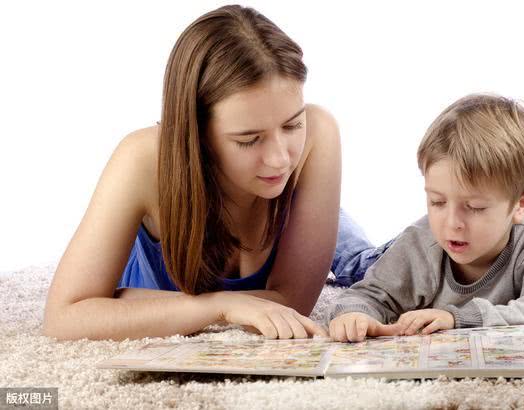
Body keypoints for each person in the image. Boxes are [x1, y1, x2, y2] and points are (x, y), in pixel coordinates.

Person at [43, 5, 341, 341]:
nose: (280, 159)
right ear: (196, 134)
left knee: (362, 262)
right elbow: (64, 318)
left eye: (292, 125)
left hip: (291, 204)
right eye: (248, 140)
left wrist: (134, 304)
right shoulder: (143, 158)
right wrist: (220, 307)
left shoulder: (319, 132)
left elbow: (291, 306)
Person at [327, 94, 524, 343]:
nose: (452, 223)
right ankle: (326, 211)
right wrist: (353, 314)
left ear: (520, 205)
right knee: (357, 266)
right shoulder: (420, 242)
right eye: (437, 202)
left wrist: (458, 317)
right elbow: (368, 294)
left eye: (475, 207)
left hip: (425, 260)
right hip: (396, 256)